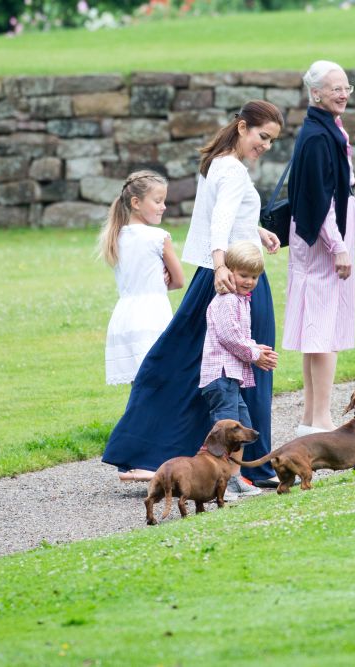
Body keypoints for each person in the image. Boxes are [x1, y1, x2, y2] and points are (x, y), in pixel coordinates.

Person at [102, 100, 283, 487]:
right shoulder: (231, 169)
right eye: (262, 137)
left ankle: (147, 450)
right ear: (242, 128)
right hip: (234, 278)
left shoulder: (217, 163)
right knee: (251, 366)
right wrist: (221, 266)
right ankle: (253, 468)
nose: (266, 145)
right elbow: (219, 222)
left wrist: (257, 231)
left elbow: (229, 216)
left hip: (215, 272)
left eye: (271, 140)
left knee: (184, 364)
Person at [283, 60, 355, 436]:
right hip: (322, 242)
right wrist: (338, 246)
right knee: (322, 330)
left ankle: (311, 419)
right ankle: (323, 419)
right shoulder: (317, 136)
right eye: (335, 88)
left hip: (321, 239)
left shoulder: (325, 128)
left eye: (347, 87)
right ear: (315, 93)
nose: (343, 94)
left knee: (318, 330)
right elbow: (323, 198)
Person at [200, 241, 276, 499]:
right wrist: (255, 354)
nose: (249, 281)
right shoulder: (227, 300)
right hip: (220, 376)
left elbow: (240, 335)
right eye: (244, 275)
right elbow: (229, 336)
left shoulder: (241, 301)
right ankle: (219, 482)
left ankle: (235, 478)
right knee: (225, 432)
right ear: (229, 271)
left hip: (231, 377)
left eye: (254, 276)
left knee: (242, 427)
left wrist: (257, 347)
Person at [99, 170, 184, 385]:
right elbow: (179, 281)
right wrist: (163, 280)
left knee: (138, 385)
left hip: (125, 317)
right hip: (152, 315)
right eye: (157, 201)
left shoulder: (115, 236)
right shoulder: (158, 237)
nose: (163, 206)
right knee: (161, 382)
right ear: (136, 202)